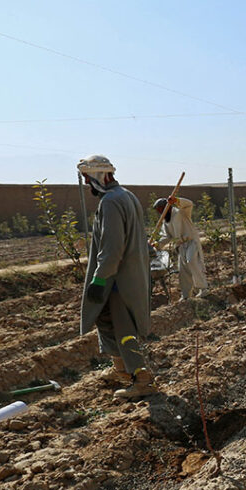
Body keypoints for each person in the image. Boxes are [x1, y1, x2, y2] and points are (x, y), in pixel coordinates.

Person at [77, 154, 157, 400]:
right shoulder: (127, 195)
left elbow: (112, 250)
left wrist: (99, 280)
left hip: (117, 282)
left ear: (98, 177)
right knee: (110, 325)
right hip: (129, 277)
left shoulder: (110, 202)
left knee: (124, 329)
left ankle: (142, 379)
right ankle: (123, 371)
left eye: (88, 179)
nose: (88, 184)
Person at [151, 196, 208, 300]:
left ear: (166, 207)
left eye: (160, 209)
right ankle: (186, 295)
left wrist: (177, 200)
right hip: (181, 246)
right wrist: (157, 244)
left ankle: (203, 288)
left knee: (192, 262)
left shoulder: (181, 212)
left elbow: (189, 203)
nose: (159, 212)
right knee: (183, 270)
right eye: (158, 210)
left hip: (191, 242)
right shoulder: (166, 221)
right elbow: (166, 236)